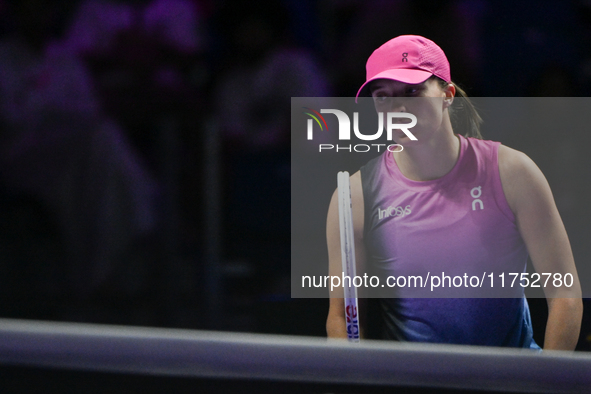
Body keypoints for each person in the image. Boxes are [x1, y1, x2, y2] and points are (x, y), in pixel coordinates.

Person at [325, 35, 583, 349]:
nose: (398, 108)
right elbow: (343, 316)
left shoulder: (514, 173)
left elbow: (565, 296)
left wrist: (543, 384)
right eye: (383, 97)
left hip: (512, 379)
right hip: (409, 381)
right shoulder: (354, 196)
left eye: (413, 91)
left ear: (447, 95)